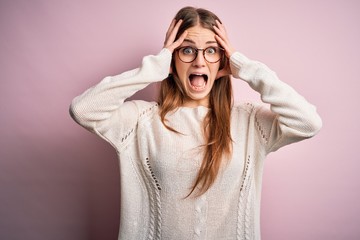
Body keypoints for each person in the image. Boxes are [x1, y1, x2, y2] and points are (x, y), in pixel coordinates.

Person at [70, 6, 322, 240]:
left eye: (211, 50)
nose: (200, 61)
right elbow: (83, 110)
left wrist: (244, 67)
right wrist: (153, 69)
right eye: (187, 49)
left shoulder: (249, 122)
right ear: (173, 59)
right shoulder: (140, 121)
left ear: (222, 60)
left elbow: (308, 122)